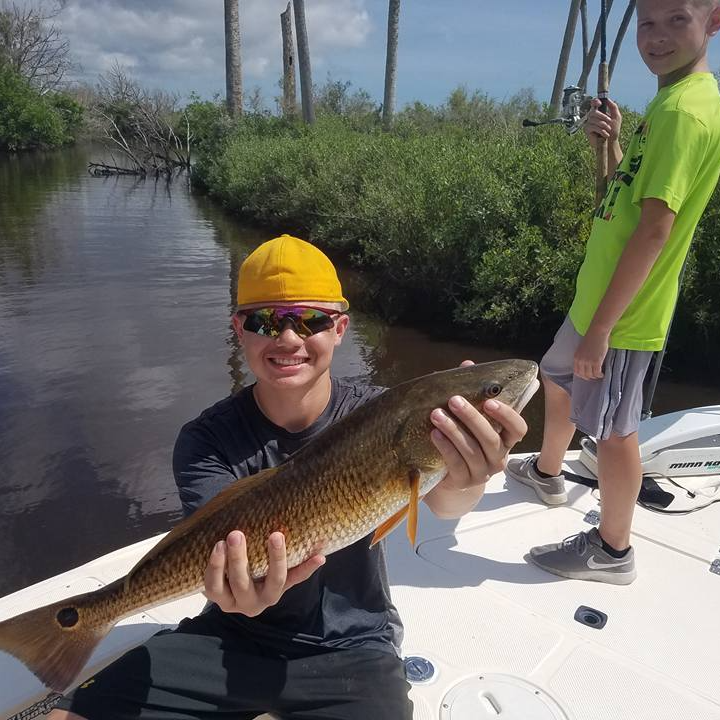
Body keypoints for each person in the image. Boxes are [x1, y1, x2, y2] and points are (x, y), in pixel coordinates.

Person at [51, 234, 528, 720]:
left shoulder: (378, 413)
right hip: (232, 635)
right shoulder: (205, 440)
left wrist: (468, 474)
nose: (289, 338)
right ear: (239, 329)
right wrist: (238, 595)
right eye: (264, 321)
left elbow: (446, 504)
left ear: (340, 327)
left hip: (353, 648)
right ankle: (81, 622)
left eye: (311, 320)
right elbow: (213, 548)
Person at [507, 0, 720, 584]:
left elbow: (656, 230)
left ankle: (612, 551)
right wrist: (609, 145)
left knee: (615, 432)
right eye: (647, 23)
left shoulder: (687, 114)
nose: (655, 37)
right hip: (594, 301)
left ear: (713, 20)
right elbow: (619, 200)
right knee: (553, 377)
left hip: (622, 316)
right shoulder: (667, 103)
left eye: (677, 20)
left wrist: (601, 331)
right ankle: (549, 473)